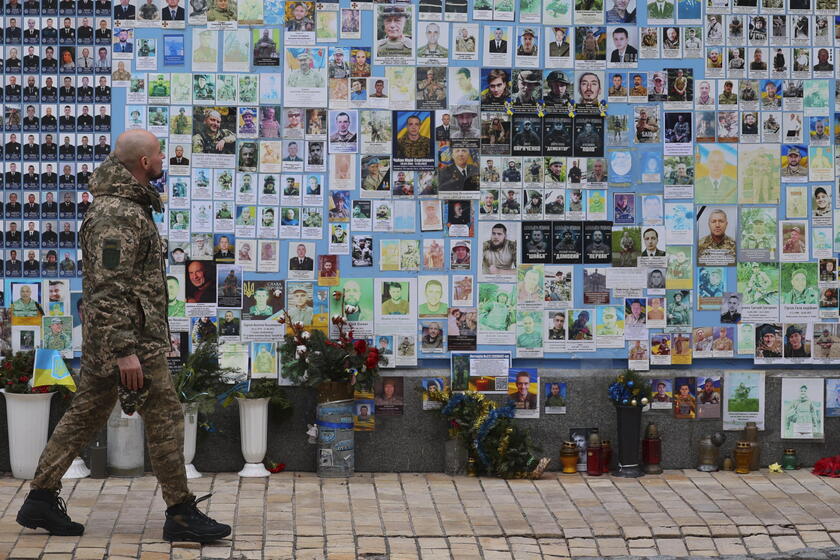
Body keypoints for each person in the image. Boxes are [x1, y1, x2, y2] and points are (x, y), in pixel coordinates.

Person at [16, 130, 230, 541]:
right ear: (145, 163)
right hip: (128, 341)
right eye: (160, 153)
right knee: (166, 415)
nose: (165, 157)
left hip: (123, 338)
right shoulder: (118, 214)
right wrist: (125, 351)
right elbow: (107, 288)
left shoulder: (130, 206)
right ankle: (181, 512)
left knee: (85, 415)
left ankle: (40, 498)